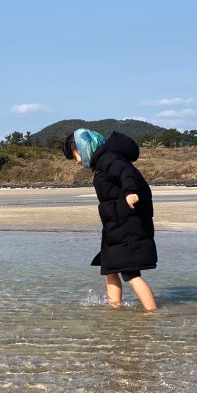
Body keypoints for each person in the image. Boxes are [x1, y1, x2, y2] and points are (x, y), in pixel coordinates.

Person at [63, 129, 158, 311]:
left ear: (85, 147)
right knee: (109, 266)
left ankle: (153, 313)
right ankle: (114, 309)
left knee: (130, 272)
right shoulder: (102, 161)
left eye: (76, 155)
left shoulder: (110, 159)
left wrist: (130, 191)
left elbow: (127, 174)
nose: (77, 161)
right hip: (114, 223)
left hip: (127, 223)